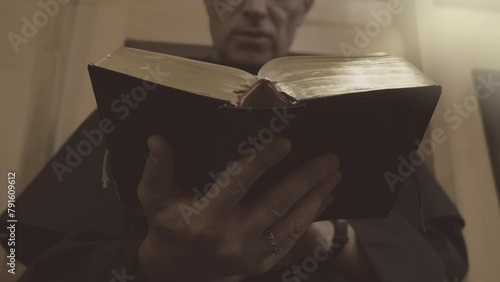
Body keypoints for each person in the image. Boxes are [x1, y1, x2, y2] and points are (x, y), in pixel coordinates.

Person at [12, 1, 468, 281]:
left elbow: (445, 259)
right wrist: (157, 265)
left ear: (303, 7)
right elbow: (33, 256)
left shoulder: (366, 114)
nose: (254, 7)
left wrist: (329, 238)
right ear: (211, 6)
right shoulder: (130, 105)